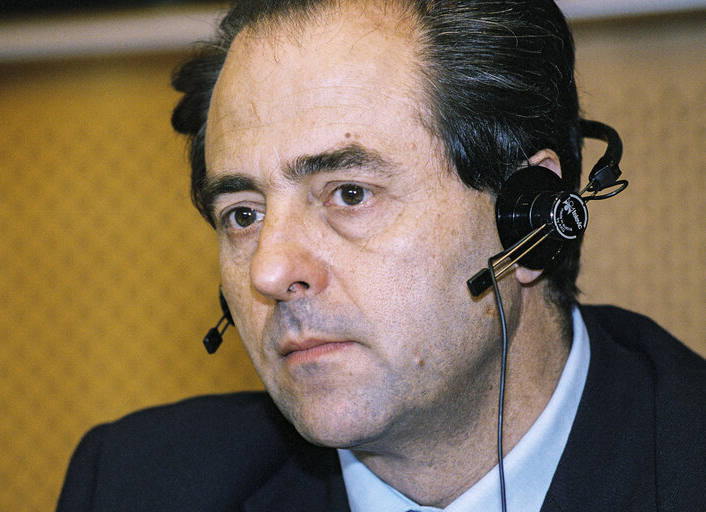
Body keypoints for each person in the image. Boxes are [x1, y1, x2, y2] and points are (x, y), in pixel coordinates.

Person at [56, 1, 706, 510]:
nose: (269, 272)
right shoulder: (136, 484)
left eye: (348, 193)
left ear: (529, 218)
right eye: (243, 215)